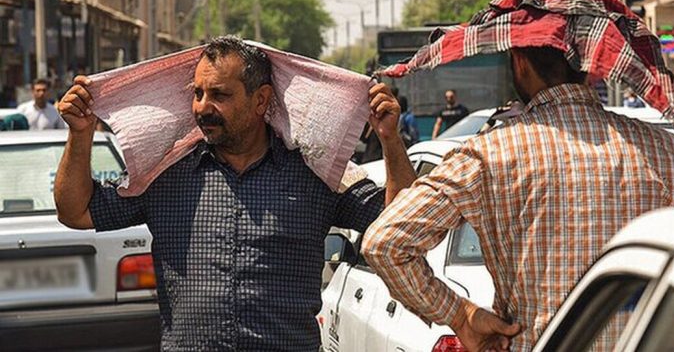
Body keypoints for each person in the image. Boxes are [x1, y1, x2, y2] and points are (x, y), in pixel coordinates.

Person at [361, 0, 674, 352]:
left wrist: (461, 315)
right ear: (587, 64)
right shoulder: (666, 153)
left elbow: (386, 242)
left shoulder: (486, 156)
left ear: (519, 61)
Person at [54, 37, 416, 351]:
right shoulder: (165, 174)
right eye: (197, 93)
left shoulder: (315, 175)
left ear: (261, 100)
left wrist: (390, 140)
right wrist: (81, 133)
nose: (202, 107)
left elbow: (403, 225)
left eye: (219, 95)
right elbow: (77, 212)